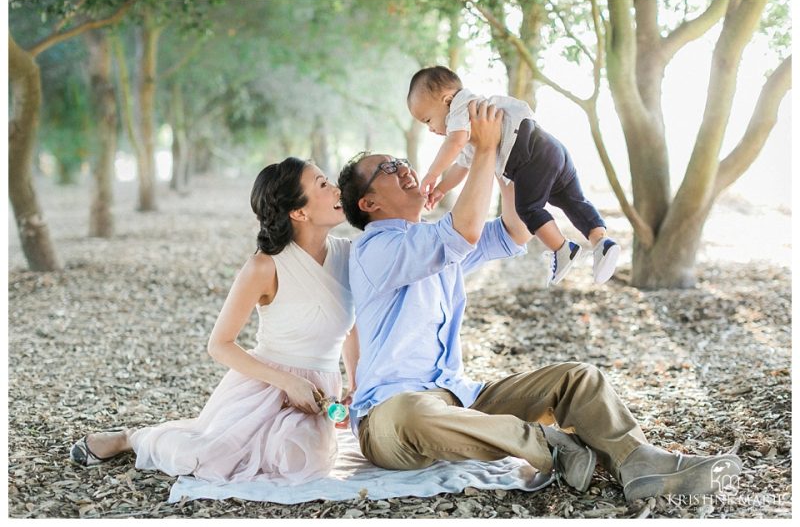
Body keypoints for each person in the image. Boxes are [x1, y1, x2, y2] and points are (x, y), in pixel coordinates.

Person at [336, 100, 741, 502]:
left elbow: (514, 231)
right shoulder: (374, 249)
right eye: (387, 169)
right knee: (414, 414)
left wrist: (499, 158)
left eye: (401, 161)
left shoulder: (434, 243)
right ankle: (547, 445)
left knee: (577, 378)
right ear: (368, 204)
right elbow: (463, 232)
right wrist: (483, 148)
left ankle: (638, 461)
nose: (404, 168)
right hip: (388, 418)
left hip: (460, 397)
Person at [70, 158, 358, 485]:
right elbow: (219, 345)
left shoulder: (349, 255)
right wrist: (288, 382)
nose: (337, 189)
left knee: (300, 460)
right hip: (264, 385)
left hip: (319, 391)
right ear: (299, 212)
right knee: (210, 457)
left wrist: (356, 383)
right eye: (323, 184)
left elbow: (350, 326)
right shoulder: (264, 266)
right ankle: (132, 438)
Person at [408, 65, 619, 286]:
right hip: (550, 149)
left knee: (529, 209)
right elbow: (461, 165)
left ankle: (562, 248)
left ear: (447, 100)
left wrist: (432, 173)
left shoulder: (461, 108)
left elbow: (455, 142)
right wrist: (442, 189)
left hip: (529, 157)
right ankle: (601, 242)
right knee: (572, 200)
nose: (431, 129)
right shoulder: (472, 125)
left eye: (428, 120)